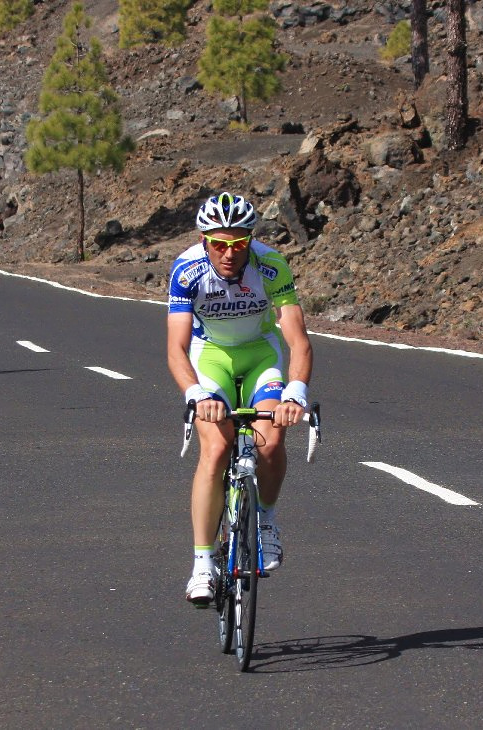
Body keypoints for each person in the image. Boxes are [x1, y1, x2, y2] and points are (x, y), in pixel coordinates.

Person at [167, 191, 313, 606]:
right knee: (216, 449)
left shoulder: (271, 266)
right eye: (218, 244)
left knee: (272, 439)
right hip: (209, 356)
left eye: (238, 243)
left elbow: (298, 341)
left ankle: (266, 521)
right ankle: (202, 562)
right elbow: (176, 348)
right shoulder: (187, 269)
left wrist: (296, 392)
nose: (229, 253)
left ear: (250, 240)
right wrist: (195, 393)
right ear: (204, 241)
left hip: (260, 354)